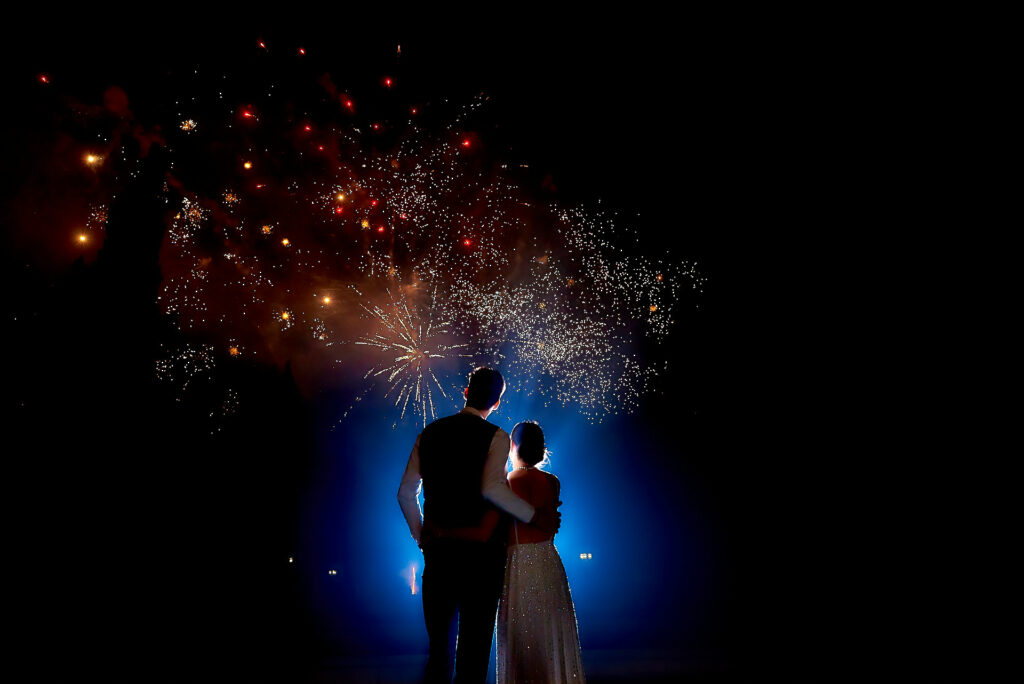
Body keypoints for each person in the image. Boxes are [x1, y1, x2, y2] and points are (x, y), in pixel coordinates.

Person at [397, 367, 561, 684]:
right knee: (473, 658)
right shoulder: (496, 436)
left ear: (466, 392)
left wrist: (422, 537)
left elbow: (405, 493)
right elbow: (491, 489)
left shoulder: (428, 434)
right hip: (481, 561)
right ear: (497, 402)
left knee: (439, 656)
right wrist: (535, 516)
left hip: (439, 557)